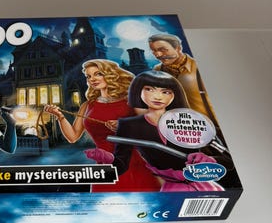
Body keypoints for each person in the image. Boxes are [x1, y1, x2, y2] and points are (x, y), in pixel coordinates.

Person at [87, 70, 224, 192]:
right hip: (173, 188)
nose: (158, 97)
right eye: (150, 90)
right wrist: (107, 158)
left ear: (174, 95)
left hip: (206, 186)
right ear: (138, 91)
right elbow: (121, 165)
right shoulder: (129, 125)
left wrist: (210, 159)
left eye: (166, 92)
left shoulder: (190, 120)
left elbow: (226, 159)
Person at [44, 59, 161, 192]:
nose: (92, 79)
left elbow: (152, 129)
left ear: (110, 74)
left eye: (98, 74)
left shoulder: (131, 101)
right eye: (88, 76)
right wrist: (60, 116)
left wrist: (125, 126)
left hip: (132, 164)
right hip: (104, 167)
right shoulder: (87, 105)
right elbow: (72, 137)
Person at [149, 33, 218, 123]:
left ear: (178, 48)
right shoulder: (157, 70)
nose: (158, 55)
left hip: (208, 124)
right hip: (176, 125)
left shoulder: (200, 67)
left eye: (163, 50)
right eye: (154, 51)